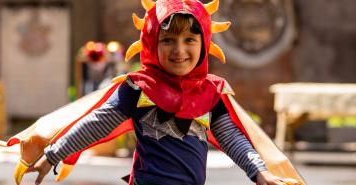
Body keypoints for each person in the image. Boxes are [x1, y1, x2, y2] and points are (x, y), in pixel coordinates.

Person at [22, 0, 302, 185]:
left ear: (203, 44)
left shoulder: (210, 93)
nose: (179, 51)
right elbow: (96, 124)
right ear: (151, 44)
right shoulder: (138, 88)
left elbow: (232, 138)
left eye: (189, 40)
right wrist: (52, 154)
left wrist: (259, 173)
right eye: (167, 40)